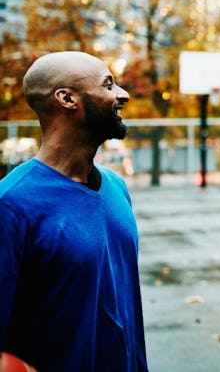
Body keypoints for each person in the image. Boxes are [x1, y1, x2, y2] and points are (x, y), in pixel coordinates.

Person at [0, 51, 148, 371]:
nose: (123, 94)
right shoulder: (10, 205)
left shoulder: (115, 185)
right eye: (108, 85)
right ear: (67, 99)